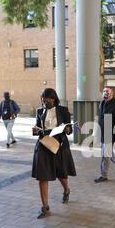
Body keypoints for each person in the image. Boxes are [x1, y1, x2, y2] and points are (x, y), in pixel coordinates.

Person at [31, 88, 76, 219]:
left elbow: (69, 129)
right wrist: (36, 130)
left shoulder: (62, 110)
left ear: (54, 99)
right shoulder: (40, 111)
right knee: (42, 176)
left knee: (61, 173)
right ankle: (45, 207)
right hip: (44, 144)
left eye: (48, 100)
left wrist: (67, 129)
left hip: (59, 145)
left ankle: (66, 189)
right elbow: (37, 126)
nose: (46, 103)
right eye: (44, 101)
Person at [94, 87, 115, 183]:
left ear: (112, 93)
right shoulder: (102, 103)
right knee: (109, 153)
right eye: (103, 91)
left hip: (109, 132)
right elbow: (100, 117)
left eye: (107, 91)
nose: (105, 93)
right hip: (103, 131)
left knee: (105, 155)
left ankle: (104, 175)